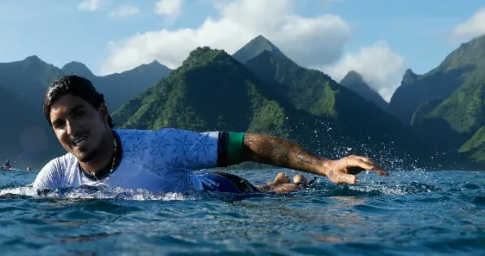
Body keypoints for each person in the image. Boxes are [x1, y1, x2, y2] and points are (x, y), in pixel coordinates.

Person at [32, 75, 389, 195]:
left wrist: (326, 165)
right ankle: (276, 184)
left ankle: (277, 186)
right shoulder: (55, 176)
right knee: (276, 189)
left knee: (277, 197)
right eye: (59, 124)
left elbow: (247, 145)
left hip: (223, 191)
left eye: (79, 114)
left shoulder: (160, 147)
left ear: (103, 112)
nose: (71, 130)